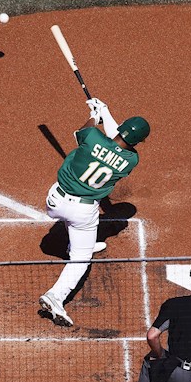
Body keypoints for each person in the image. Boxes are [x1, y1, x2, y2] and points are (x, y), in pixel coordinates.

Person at [38, 97, 150, 327]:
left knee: (76, 225)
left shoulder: (90, 137)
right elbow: (116, 143)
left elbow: (85, 131)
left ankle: (77, 242)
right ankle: (55, 296)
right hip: (82, 211)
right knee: (82, 257)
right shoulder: (131, 161)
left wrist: (95, 116)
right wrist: (106, 114)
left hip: (54, 202)